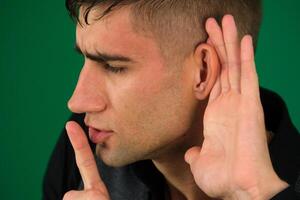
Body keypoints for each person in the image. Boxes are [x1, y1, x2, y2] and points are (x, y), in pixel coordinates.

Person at [43, 0, 300, 199]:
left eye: (112, 66)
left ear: (203, 70)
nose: (78, 101)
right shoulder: (84, 149)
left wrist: (256, 193)